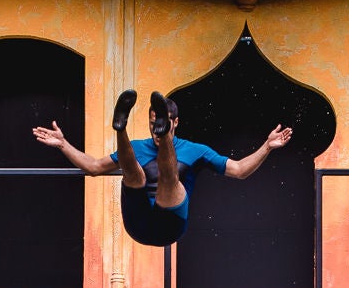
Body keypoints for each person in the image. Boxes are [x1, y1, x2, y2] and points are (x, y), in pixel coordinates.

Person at [33, 89, 293, 247]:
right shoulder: (139, 146)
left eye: (162, 124)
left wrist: (267, 146)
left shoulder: (195, 150)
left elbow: (238, 170)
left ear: (175, 122)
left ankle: (136, 133)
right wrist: (63, 144)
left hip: (170, 225)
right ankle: (119, 129)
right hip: (138, 223)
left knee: (171, 180)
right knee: (134, 173)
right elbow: (93, 167)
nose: (153, 131)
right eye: (153, 124)